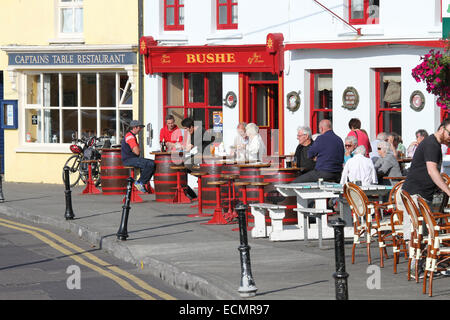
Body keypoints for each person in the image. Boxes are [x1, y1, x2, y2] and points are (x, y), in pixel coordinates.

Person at [402, 118, 450, 278]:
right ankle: (416, 269)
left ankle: (423, 266)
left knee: (421, 231)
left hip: (420, 193)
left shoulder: (434, 144)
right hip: (416, 193)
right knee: (417, 231)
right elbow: (432, 171)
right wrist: (448, 191)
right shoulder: (431, 144)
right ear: (442, 129)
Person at [292, 119, 344, 183]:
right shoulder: (339, 140)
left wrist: (316, 157)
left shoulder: (321, 138)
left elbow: (310, 154)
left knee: (295, 183)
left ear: (321, 128)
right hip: (338, 173)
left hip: (323, 173)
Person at [121, 120, 156, 193]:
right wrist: (137, 149)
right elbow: (137, 152)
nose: (140, 129)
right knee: (151, 164)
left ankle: (142, 182)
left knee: (152, 163)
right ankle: (140, 182)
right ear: (135, 127)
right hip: (129, 160)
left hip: (130, 159)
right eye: (139, 127)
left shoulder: (130, 135)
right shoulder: (130, 137)